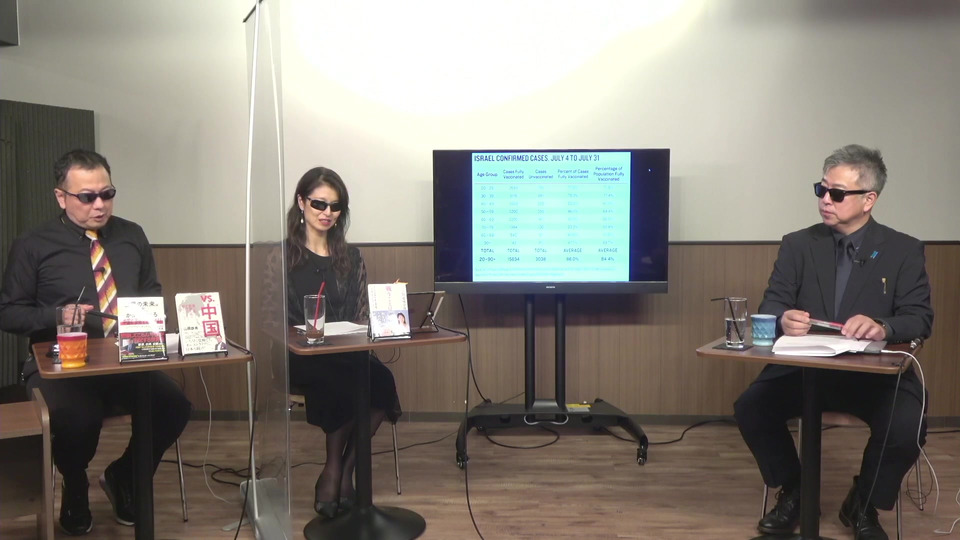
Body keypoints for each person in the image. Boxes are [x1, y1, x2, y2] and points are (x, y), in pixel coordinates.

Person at [734, 145, 932, 540]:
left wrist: (882, 325)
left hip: (873, 374)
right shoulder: (798, 244)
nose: (825, 199)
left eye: (837, 193)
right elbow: (771, 304)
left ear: (868, 200)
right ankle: (797, 492)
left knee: (908, 424)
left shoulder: (903, 250)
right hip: (804, 370)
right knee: (751, 407)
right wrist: (782, 318)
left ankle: (863, 502)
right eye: (821, 189)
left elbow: (919, 318)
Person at [0, 149, 192, 535]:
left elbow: (151, 292)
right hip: (61, 366)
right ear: (61, 197)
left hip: (125, 360)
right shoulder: (33, 244)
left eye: (107, 194)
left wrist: (149, 322)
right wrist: (56, 316)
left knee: (173, 405)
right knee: (78, 418)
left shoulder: (132, 235)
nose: (100, 205)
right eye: (87, 197)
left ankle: (125, 476)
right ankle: (75, 486)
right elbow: (8, 312)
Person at [281, 167, 401, 518]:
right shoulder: (282, 256)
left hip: (346, 350)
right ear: (301, 202)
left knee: (381, 381)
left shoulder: (352, 256)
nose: (327, 213)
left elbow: (360, 315)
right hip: (299, 354)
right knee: (340, 380)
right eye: (319, 204)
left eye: (335, 206)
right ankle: (335, 471)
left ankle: (341, 471)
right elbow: (273, 318)